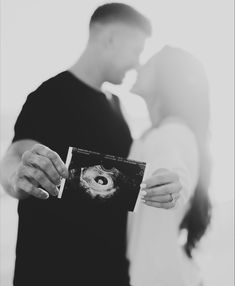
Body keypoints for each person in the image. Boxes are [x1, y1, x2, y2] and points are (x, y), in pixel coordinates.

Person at [0, 4, 182, 286]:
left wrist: (164, 185)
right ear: (110, 40)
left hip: (110, 275)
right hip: (49, 274)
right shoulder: (49, 96)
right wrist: (15, 176)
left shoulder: (117, 107)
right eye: (136, 50)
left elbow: (125, 182)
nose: (137, 63)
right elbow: (17, 152)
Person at [127, 46, 212, 286]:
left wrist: (172, 182)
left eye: (150, 62)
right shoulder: (153, 134)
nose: (138, 66)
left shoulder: (173, 131)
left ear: (166, 78)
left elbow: (172, 166)